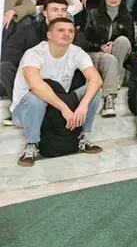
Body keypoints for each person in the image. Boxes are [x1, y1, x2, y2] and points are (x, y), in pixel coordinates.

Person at [12, 17, 104, 166]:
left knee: (94, 91)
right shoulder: (34, 53)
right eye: (61, 30)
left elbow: (96, 79)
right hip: (25, 110)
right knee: (35, 98)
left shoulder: (76, 52)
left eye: (71, 31)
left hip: (56, 105)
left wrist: (83, 106)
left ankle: (81, 136)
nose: (67, 34)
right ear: (49, 35)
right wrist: (64, 109)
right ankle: (32, 144)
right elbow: (36, 86)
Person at [83, 0, 134, 117]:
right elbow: (82, 41)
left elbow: (131, 43)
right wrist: (99, 47)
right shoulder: (92, 14)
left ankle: (115, 80)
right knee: (109, 58)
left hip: (116, 54)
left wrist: (113, 44)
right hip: (94, 53)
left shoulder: (127, 17)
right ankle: (109, 99)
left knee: (123, 41)